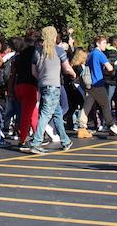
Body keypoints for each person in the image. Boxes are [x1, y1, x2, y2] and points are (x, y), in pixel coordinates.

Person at [25, 26, 75, 154]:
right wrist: (73, 74)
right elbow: (67, 68)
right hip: (54, 85)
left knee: (57, 113)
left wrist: (42, 79)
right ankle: (36, 143)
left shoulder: (37, 51)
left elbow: (33, 71)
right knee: (46, 114)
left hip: (43, 85)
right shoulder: (58, 50)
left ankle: (65, 141)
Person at [77, 36, 117, 139]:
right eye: (103, 43)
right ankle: (111, 125)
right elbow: (110, 68)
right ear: (98, 43)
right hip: (98, 82)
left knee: (88, 104)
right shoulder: (100, 54)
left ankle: (82, 127)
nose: (105, 45)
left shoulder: (91, 54)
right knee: (105, 104)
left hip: (89, 83)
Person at [13, 32, 39, 150]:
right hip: (30, 85)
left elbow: (14, 72)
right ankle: (23, 139)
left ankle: (37, 134)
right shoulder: (34, 53)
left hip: (19, 85)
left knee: (32, 112)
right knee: (27, 114)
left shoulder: (19, 55)